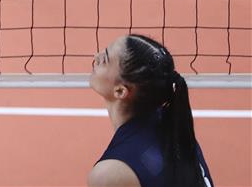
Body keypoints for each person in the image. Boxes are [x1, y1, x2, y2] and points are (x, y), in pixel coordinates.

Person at [88, 34, 215, 187]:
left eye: (104, 60)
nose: (96, 57)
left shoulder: (109, 175)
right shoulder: (175, 127)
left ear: (120, 91)